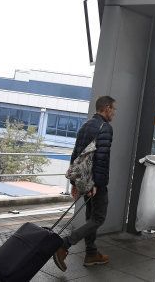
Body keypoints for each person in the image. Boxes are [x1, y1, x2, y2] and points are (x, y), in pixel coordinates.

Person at [53, 96, 116, 271]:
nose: (114, 113)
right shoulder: (106, 128)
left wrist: (75, 182)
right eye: (113, 109)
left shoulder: (85, 125)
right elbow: (102, 158)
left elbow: (76, 155)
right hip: (96, 182)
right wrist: (97, 183)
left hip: (84, 180)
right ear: (106, 108)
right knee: (98, 218)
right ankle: (64, 244)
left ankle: (91, 253)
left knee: (91, 217)